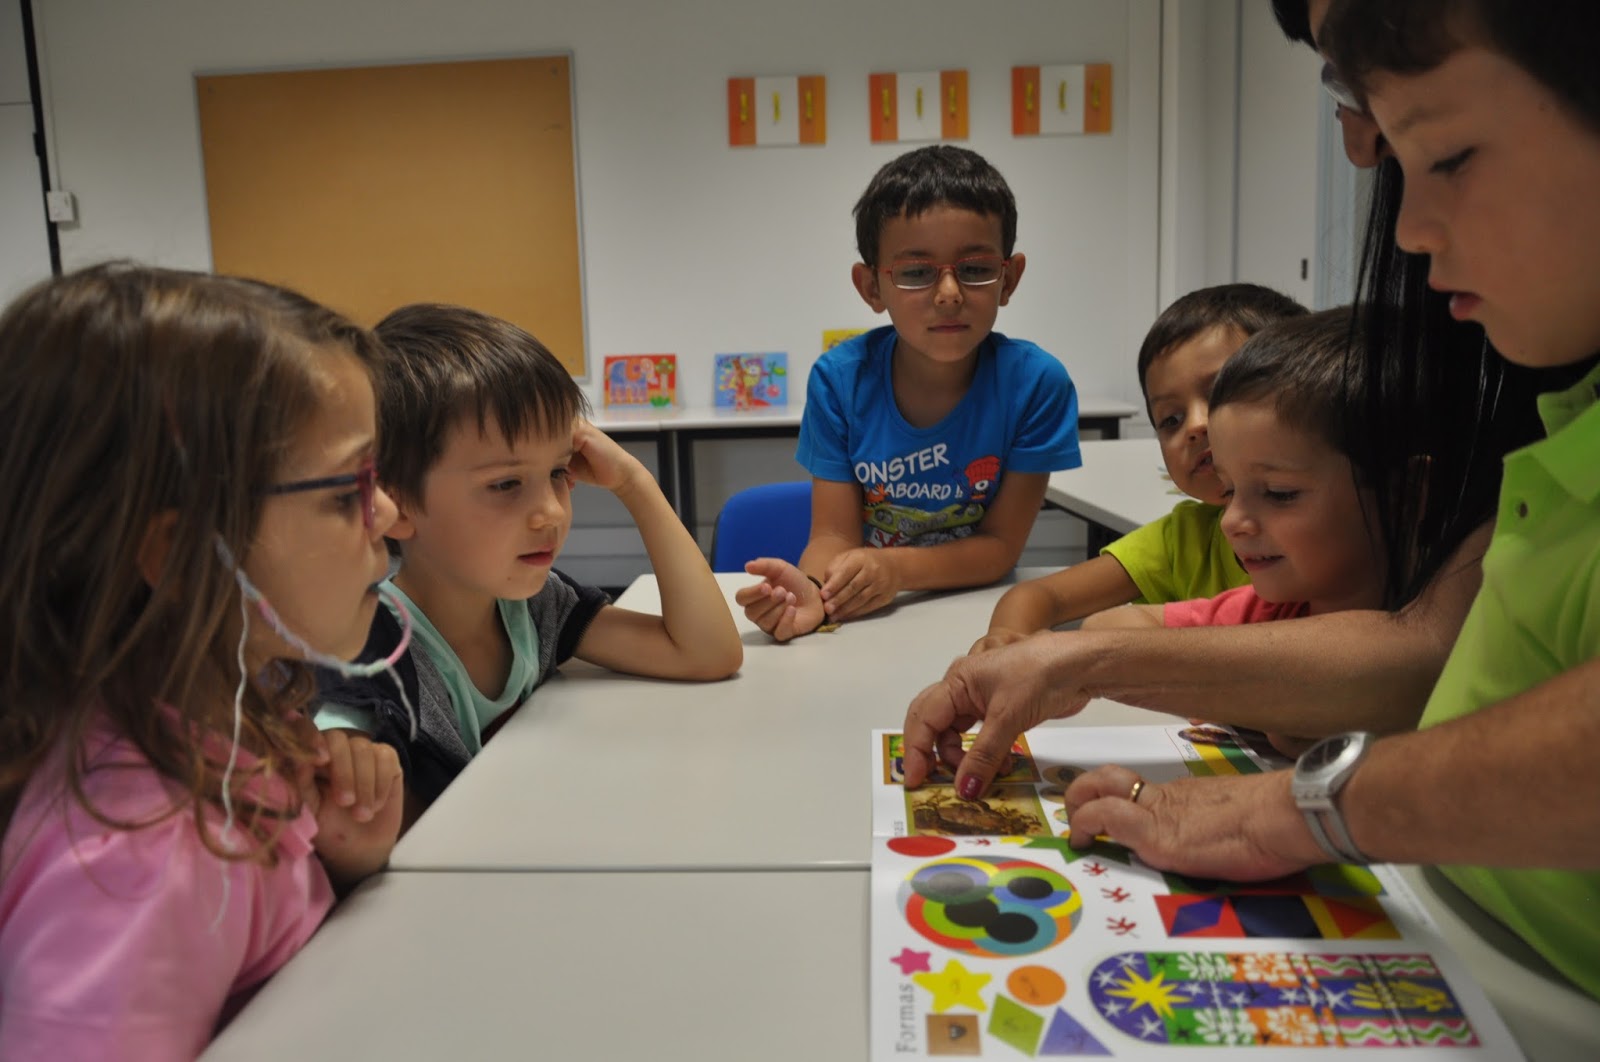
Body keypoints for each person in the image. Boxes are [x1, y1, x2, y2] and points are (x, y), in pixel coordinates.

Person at [936, 0, 1600, 1000]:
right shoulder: (1553, 404)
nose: (1405, 219)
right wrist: (1075, 659)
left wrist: (1300, 807)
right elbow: (1432, 651)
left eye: (1449, 154)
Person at [0, 263, 407, 1058]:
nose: (388, 512)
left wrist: (343, 862)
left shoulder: (221, 725)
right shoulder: (145, 856)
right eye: (345, 492)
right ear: (180, 556)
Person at [317, 303, 742, 815]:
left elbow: (707, 654)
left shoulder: (537, 609)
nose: (552, 513)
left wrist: (635, 483)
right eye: (506, 484)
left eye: (559, 473)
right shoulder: (365, 658)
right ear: (396, 503)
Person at [736, 145, 1082, 642]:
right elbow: (833, 536)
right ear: (872, 287)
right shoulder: (840, 381)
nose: (949, 294)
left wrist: (895, 569)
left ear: (1009, 279)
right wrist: (811, 591)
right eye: (917, 273)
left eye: (975, 269)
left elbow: (1000, 546)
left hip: (981, 616)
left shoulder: (1036, 385)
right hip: (874, 623)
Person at [973, 283, 1306, 653]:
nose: (1195, 426)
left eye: (1219, 396)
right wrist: (1006, 641)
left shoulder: (1331, 545)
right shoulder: (1185, 539)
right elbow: (1040, 596)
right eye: (1171, 419)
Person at [1084, 307, 1384, 633]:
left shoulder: (1424, 642)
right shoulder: (1266, 608)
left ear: (1404, 494)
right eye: (1229, 491)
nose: (1229, 522)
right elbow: (1107, 629)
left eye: (1279, 494)